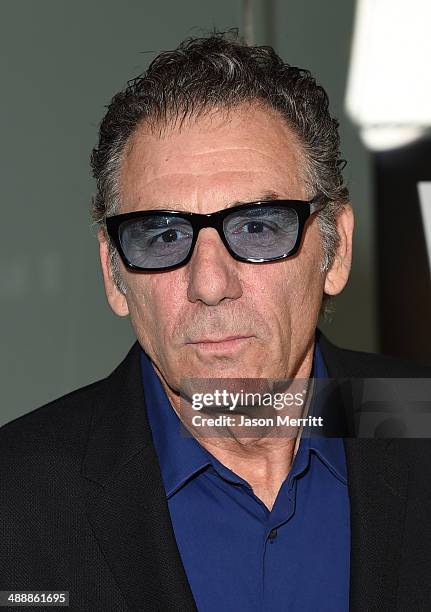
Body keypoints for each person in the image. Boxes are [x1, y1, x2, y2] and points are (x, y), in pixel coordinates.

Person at [1, 31, 431, 612]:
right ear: (113, 274)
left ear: (337, 250)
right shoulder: (16, 497)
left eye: (257, 227)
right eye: (163, 235)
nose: (209, 283)